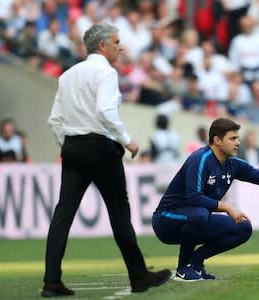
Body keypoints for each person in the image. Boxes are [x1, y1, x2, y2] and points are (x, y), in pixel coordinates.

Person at [43, 23, 171, 297]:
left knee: (63, 213)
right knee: (118, 212)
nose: (120, 46)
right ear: (102, 46)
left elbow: (54, 120)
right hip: (101, 147)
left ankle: (51, 280)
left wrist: (67, 145)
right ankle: (138, 275)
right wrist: (127, 140)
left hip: (74, 147)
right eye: (116, 42)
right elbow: (104, 112)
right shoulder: (106, 73)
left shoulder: (67, 75)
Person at [152, 118, 259, 281]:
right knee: (199, 214)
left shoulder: (232, 163)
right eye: (232, 138)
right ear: (217, 140)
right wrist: (227, 207)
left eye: (238, 137)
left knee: (243, 227)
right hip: (167, 220)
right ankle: (183, 268)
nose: (238, 142)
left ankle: (197, 261)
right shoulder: (200, 159)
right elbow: (193, 197)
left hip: (197, 219)